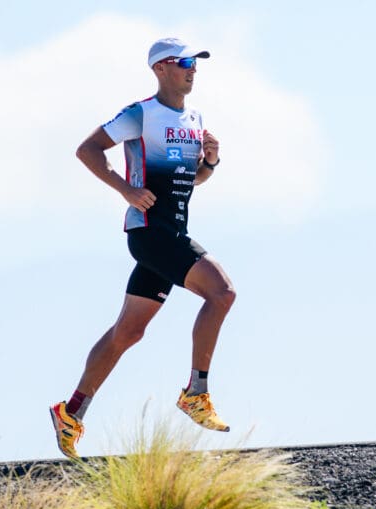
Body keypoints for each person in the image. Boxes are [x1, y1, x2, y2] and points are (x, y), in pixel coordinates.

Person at [49, 37, 236, 459]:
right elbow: (87, 149)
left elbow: (192, 183)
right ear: (161, 69)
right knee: (222, 292)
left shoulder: (195, 119)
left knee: (129, 331)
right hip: (151, 233)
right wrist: (125, 190)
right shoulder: (141, 113)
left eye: (197, 63)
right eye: (185, 62)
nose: (193, 69)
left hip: (170, 231)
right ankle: (196, 392)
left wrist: (209, 162)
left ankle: (70, 411)